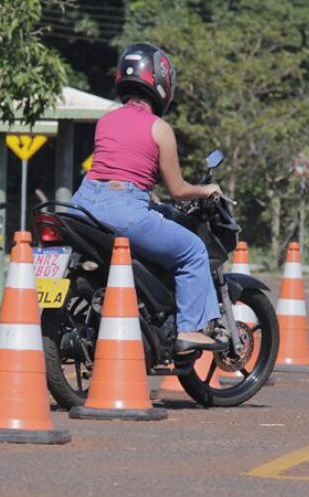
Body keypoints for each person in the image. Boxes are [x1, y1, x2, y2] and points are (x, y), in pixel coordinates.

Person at [71, 43, 223, 349]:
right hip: (125, 210)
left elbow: (118, 169)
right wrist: (206, 189)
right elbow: (178, 190)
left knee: (161, 217)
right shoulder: (160, 128)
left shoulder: (106, 120)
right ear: (162, 82)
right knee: (193, 251)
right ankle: (188, 331)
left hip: (82, 204)